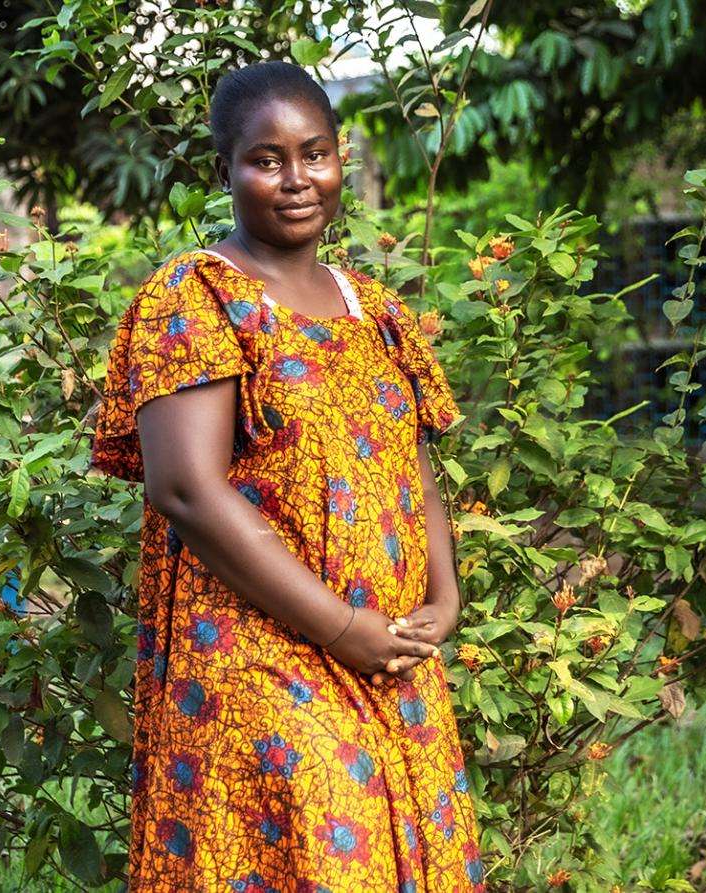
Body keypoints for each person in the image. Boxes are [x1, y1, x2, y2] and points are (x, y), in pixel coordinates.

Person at [89, 60, 486, 892]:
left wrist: (442, 601)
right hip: (260, 657)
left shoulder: (374, 307)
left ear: (343, 159)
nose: (297, 179)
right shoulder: (198, 296)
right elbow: (187, 489)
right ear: (224, 171)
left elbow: (410, 463)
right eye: (266, 159)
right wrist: (343, 627)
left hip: (393, 657)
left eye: (316, 153)